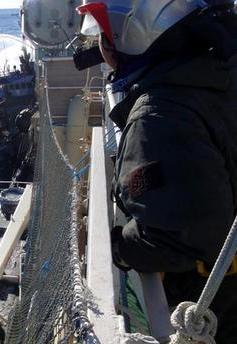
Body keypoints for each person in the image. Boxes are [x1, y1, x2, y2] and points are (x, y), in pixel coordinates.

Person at [77, 1, 237, 342]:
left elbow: (172, 239)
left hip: (216, 313)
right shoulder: (215, 73)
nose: (103, 48)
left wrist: (119, 246)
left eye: (105, 37)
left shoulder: (158, 117)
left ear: (131, 34)